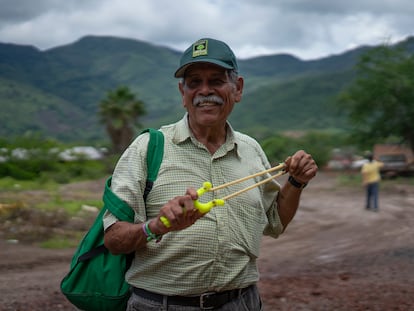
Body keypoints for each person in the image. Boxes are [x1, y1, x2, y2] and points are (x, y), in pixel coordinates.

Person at [103, 38, 318, 311]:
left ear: (237, 88)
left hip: (241, 303)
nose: (205, 91)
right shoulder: (148, 148)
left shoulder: (251, 150)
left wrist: (297, 182)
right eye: (194, 83)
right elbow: (113, 239)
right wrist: (157, 226)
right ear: (183, 93)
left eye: (216, 81)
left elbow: (275, 222)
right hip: (160, 305)